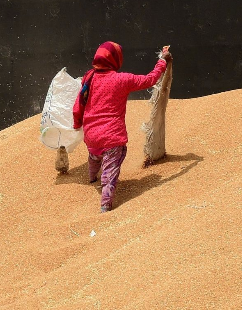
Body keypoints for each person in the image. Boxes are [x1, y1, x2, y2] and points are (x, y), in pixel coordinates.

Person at [73, 41, 172, 213]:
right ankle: (105, 205)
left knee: (95, 155)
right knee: (110, 170)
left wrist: (76, 123)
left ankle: (91, 177)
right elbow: (150, 79)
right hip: (111, 137)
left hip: (91, 137)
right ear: (116, 60)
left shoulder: (89, 77)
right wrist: (162, 61)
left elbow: (79, 103)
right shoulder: (122, 79)